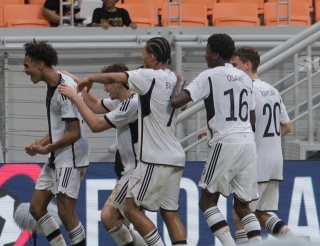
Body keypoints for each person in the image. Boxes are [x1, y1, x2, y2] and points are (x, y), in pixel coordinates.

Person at [76, 37, 189, 246]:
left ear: (153, 57)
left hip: (155, 157)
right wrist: (80, 86)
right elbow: (98, 104)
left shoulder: (148, 78)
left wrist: (90, 78)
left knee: (129, 209)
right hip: (175, 155)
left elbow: (115, 78)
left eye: (144, 53)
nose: (142, 57)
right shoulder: (173, 78)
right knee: (170, 214)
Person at [170, 34, 262, 245]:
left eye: (208, 52)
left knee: (207, 201)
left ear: (216, 54)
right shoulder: (245, 77)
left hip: (225, 141)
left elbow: (176, 102)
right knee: (242, 205)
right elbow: (253, 116)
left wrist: (179, 81)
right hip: (248, 141)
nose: (206, 56)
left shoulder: (209, 76)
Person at [58, 63, 145, 246]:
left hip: (137, 171)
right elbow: (95, 105)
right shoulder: (121, 101)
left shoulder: (133, 103)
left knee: (108, 217)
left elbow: (96, 125)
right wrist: (77, 82)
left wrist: (75, 97)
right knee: (122, 223)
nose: (104, 87)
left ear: (118, 83)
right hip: (132, 170)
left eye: (106, 83)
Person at [23, 40, 89, 246]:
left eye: (27, 65)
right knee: (36, 208)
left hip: (70, 157)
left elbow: (75, 133)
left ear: (40, 65)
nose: (25, 71)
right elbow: (60, 127)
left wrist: (46, 148)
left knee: (66, 212)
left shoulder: (63, 90)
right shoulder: (55, 83)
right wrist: (41, 143)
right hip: (58, 155)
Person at [229, 46, 293, 243]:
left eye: (235, 65)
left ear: (247, 65)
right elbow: (287, 126)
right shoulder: (272, 90)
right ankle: (291, 238)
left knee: (240, 214)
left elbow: (242, 122)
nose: (232, 70)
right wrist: (269, 140)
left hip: (256, 161)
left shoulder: (246, 90)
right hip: (275, 160)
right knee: (260, 212)